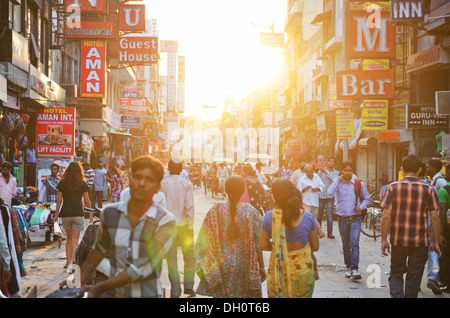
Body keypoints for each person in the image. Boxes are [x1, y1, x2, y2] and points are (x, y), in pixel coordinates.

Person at [60, 155, 176, 298]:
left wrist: (99, 287)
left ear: (158, 187)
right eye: (137, 177)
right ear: (129, 180)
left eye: (149, 180)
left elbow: (140, 266)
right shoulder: (110, 213)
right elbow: (98, 251)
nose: (141, 183)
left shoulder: (165, 221)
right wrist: (79, 280)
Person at [381, 154, 442, 298]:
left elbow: (385, 215)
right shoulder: (429, 189)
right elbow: (434, 217)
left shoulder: (393, 187)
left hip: (398, 239)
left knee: (396, 272)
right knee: (414, 276)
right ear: (420, 169)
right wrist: (436, 242)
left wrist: (384, 239)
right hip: (420, 241)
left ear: (402, 169)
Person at [195, 176, 265, 298]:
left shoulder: (214, 211)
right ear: (243, 191)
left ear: (226, 190)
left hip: (220, 269)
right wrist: (262, 267)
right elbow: (259, 244)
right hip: (245, 269)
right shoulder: (251, 212)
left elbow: (202, 242)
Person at [260, 178, 319, 298]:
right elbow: (315, 247)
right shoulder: (308, 217)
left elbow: (262, 245)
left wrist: (280, 247)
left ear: (275, 196)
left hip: (278, 275)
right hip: (303, 274)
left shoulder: (269, 217)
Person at [327, 161, 370, 280]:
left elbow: (367, 199)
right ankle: (348, 268)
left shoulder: (358, 183)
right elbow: (329, 193)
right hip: (342, 219)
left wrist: (360, 207)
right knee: (346, 244)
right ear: (341, 171)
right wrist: (336, 180)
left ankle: (354, 269)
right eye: (345, 170)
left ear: (353, 171)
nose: (348, 173)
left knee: (354, 243)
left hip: (355, 218)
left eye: (350, 170)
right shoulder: (338, 183)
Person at [160, 159, 196, 298]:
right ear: (181, 169)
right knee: (190, 257)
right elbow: (189, 207)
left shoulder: (163, 184)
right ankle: (188, 286)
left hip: (168, 228)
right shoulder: (186, 184)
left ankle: (175, 290)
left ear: (169, 169)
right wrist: (191, 226)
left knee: (171, 260)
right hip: (184, 227)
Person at [52, 162, 92, 270]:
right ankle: (74, 263)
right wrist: (91, 215)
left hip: (66, 214)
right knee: (75, 240)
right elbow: (87, 201)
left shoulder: (62, 183)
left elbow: (59, 200)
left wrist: (56, 215)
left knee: (69, 239)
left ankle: (67, 263)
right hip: (78, 214)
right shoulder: (83, 183)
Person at [317, 158, 339, 239]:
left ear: (334, 164)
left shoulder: (336, 172)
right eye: (329, 161)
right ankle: (318, 231)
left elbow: (334, 179)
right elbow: (317, 180)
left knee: (329, 215)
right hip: (321, 195)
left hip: (330, 196)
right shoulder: (320, 171)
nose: (331, 162)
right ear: (327, 162)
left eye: (333, 161)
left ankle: (330, 232)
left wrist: (326, 171)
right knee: (319, 215)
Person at [437, 163, 450, 294]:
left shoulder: (444, 190)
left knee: (447, 256)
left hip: (448, 228)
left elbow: (442, 212)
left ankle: (448, 284)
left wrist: (440, 233)